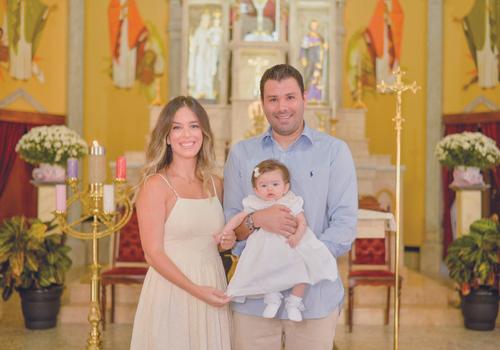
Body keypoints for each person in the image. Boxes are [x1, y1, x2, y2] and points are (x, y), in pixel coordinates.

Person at [223, 64, 358, 350]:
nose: (282, 107)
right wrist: (258, 219)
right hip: (255, 300)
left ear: (304, 98)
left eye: (289, 97)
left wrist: (304, 261)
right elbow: (231, 228)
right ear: (262, 104)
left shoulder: (334, 152)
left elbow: (344, 224)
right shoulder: (241, 154)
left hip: (313, 299)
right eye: (273, 99)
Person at [130, 96, 235, 350]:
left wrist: (226, 241)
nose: (186, 134)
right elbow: (153, 254)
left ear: (204, 133)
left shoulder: (215, 183)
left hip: (213, 285)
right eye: (177, 127)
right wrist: (197, 291)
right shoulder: (156, 186)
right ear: (166, 137)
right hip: (172, 291)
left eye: (194, 126)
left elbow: (214, 243)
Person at [219, 159, 338, 322]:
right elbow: (238, 218)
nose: (270, 189)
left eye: (275, 184)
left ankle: (294, 302)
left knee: (302, 271)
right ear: (255, 189)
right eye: (263, 185)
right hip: (266, 247)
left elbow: (302, 222)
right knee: (267, 269)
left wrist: (297, 236)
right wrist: (226, 231)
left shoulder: (290, 201)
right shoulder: (255, 203)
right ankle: (272, 299)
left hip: (291, 243)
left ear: (286, 187)